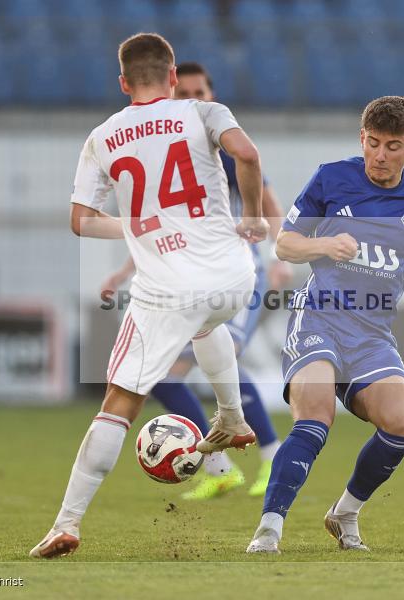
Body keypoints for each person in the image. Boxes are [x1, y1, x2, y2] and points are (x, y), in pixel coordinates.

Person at [30, 33, 269, 559]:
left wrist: (140, 226)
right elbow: (247, 155)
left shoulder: (103, 136)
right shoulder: (204, 112)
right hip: (233, 275)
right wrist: (250, 215)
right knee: (209, 325)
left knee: (118, 403)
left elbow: (81, 222)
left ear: (122, 83)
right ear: (172, 76)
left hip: (168, 288)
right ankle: (231, 417)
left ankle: (67, 523)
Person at [246, 96, 404, 553]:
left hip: (371, 335)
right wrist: (325, 247)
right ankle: (269, 529)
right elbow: (285, 245)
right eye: (372, 143)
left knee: (402, 421)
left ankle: (345, 513)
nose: (380, 156)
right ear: (361, 139)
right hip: (320, 317)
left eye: (393, 145)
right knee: (315, 416)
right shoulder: (331, 178)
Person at [99, 62, 289, 501]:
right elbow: (161, 227)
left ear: (212, 93)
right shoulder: (167, 152)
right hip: (187, 276)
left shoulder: (222, 144)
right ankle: (219, 466)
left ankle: (273, 455)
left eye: (199, 91)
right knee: (162, 377)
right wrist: (123, 272)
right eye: (182, 92)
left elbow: (269, 200)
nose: (192, 99)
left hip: (239, 273)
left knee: (222, 356)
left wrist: (280, 253)